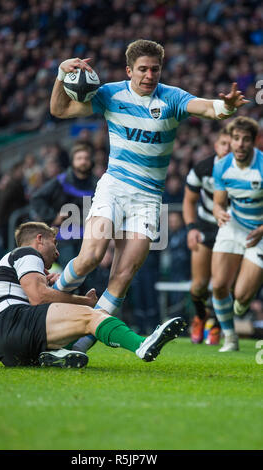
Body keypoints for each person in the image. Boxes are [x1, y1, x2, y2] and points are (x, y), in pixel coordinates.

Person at [50, 39, 248, 353]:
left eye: (155, 69)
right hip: (114, 188)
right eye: (142, 69)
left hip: (148, 199)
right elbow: (59, 109)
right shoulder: (110, 94)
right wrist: (61, 75)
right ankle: (42, 306)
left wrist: (226, 107)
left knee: (123, 274)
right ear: (129, 70)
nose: (149, 75)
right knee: (90, 257)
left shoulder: (171, 98)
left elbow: (208, 108)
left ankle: (80, 343)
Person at [0, 221, 187, 368]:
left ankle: (54, 356)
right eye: (54, 242)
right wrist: (86, 302)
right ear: (39, 239)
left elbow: (36, 297)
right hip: (12, 323)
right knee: (92, 316)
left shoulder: (16, 265)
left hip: (9, 348)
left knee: (81, 321)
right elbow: (39, 297)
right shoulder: (26, 253)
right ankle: (141, 345)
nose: (57, 251)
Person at [211, 116, 263, 352]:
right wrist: (219, 212)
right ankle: (230, 338)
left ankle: (241, 304)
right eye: (236, 139)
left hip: (260, 230)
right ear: (230, 141)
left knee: (241, 298)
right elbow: (218, 203)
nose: (240, 144)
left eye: (246, 139)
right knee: (219, 285)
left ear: (253, 142)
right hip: (234, 225)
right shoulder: (222, 165)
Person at [183, 128, 231, 345]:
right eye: (223, 143)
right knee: (199, 285)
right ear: (216, 146)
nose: (227, 148)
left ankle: (217, 325)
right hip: (205, 227)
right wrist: (191, 228)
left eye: (231, 144)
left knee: (223, 285)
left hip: (231, 230)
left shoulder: (248, 171)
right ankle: (201, 316)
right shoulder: (202, 168)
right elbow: (188, 201)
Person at [30, 143, 98, 269]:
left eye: (86, 158)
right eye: (79, 158)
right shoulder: (61, 181)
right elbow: (37, 198)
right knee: (70, 277)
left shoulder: (98, 184)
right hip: (65, 238)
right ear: (72, 161)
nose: (83, 161)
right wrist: (52, 217)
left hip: (90, 238)